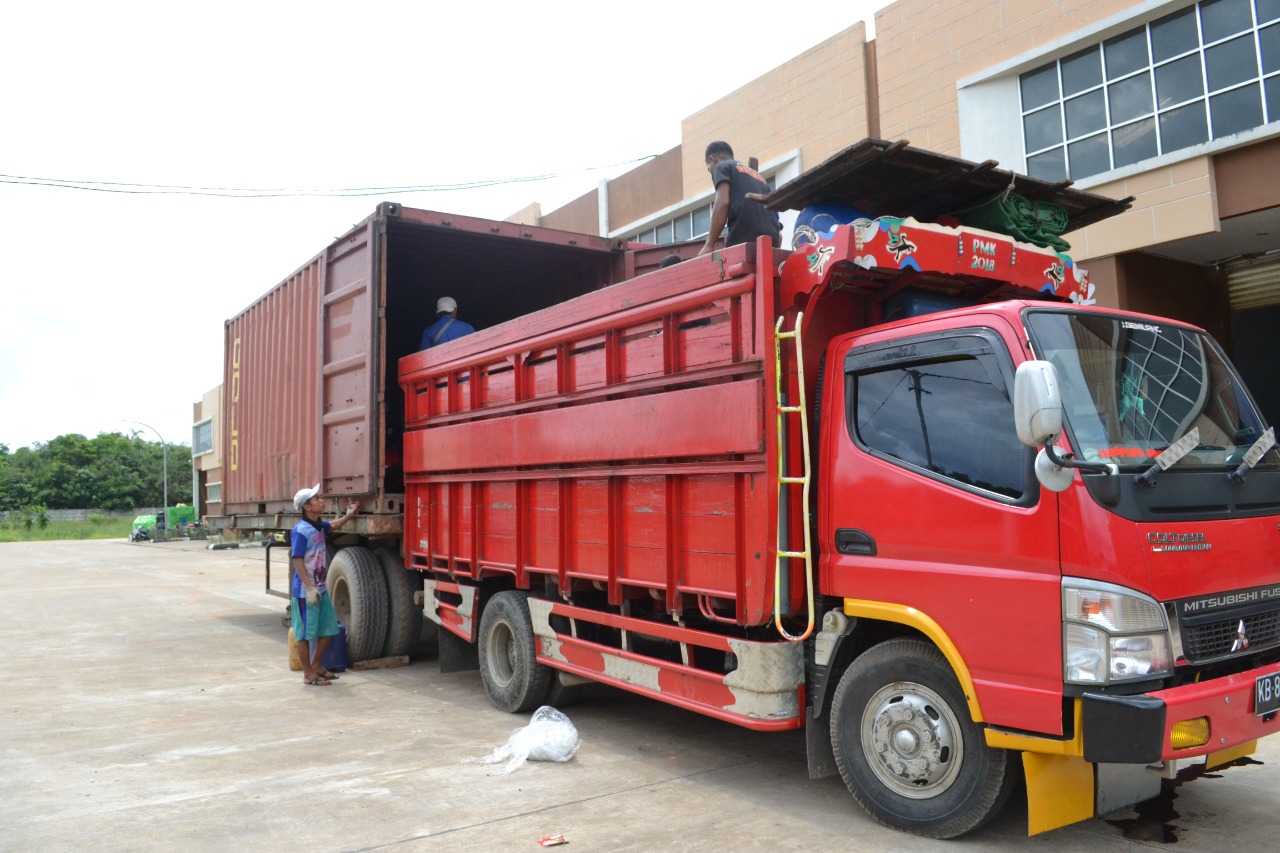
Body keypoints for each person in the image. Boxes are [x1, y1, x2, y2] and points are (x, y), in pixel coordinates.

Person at [290, 484, 358, 686]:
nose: (321, 500)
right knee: (304, 634)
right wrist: (309, 587)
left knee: (329, 629)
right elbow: (297, 559)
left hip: (320, 589)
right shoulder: (300, 531)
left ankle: (317, 665)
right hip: (306, 593)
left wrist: (349, 515)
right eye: (316, 498)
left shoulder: (318, 524)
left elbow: (333, 526)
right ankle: (308, 674)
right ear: (307, 507)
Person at [697, 141, 782, 256]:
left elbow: (722, 203)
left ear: (713, 159)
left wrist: (709, 245)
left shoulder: (721, 167)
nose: (711, 171)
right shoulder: (760, 178)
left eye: (709, 168)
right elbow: (777, 226)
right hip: (772, 245)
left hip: (743, 243)